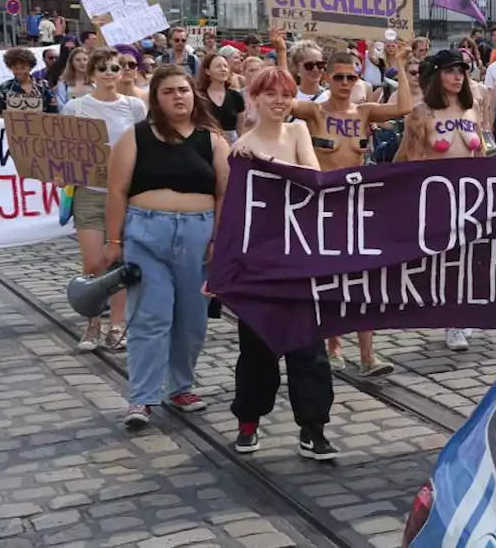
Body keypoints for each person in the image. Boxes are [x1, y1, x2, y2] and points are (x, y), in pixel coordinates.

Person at [222, 66, 339, 459]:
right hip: (259, 263)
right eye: (270, 94)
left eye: (285, 95)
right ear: (253, 99)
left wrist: (269, 164)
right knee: (257, 350)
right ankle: (248, 422)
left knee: (309, 347)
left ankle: (313, 427)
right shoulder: (240, 147)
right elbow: (234, 214)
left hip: (301, 259)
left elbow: (313, 177)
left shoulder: (297, 132)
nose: (279, 101)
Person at [104, 65, 231, 427]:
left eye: (184, 90)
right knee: (150, 318)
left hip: (198, 237)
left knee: (192, 321)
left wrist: (219, 240)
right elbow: (117, 190)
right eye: (169, 91)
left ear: (195, 95)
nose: (179, 96)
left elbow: (225, 193)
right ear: (156, 99)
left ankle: (181, 387)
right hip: (147, 235)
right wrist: (114, 241)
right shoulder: (136, 137)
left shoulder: (212, 139)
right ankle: (142, 398)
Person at [289, 36, 413, 372]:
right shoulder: (315, 112)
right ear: (327, 78)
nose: (346, 83)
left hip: (356, 205)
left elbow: (404, 107)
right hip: (321, 206)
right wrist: (281, 54)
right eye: (339, 76)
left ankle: (368, 357)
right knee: (331, 279)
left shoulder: (364, 112)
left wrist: (399, 63)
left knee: (362, 281)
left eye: (352, 77)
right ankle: (334, 347)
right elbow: (282, 96)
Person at [395, 49, 486, 351]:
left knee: (469, 259)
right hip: (438, 196)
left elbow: (481, 153)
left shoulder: (471, 109)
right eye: (450, 70)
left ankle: (462, 313)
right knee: (447, 261)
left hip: (470, 196)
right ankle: (451, 319)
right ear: (436, 75)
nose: (458, 76)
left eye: (461, 70)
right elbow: (413, 157)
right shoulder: (423, 113)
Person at [64, 48, 150, 352]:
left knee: (118, 263)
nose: (110, 73)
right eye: (103, 69)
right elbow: (63, 152)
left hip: (126, 192)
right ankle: (92, 324)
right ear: (92, 75)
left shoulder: (135, 107)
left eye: (115, 67)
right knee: (92, 262)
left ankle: (117, 325)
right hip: (89, 191)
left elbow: (145, 147)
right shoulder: (75, 107)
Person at [0, 47, 58, 115]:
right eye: (15, 68)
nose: (19, 72)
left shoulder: (43, 85)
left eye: (23, 68)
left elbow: (53, 109)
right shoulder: (4, 88)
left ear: (30, 67)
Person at [197, 52, 247, 143]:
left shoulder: (236, 96)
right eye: (218, 66)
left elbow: (240, 130)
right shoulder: (199, 96)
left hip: (231, 146)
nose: (223, 69)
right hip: (206, 144)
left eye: (225, 66)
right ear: (207, 71)